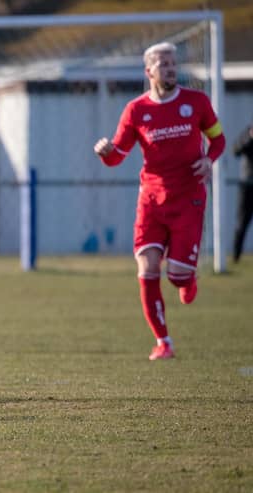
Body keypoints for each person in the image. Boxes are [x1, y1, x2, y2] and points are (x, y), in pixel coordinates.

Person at [93, 41, 225, 361]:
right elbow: (117, 158)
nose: (170, 68)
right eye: (163, 63)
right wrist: (105, 152)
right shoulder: (136, 110)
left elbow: (218, 139)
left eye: (173, 63)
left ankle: (186, 278)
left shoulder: (196, 102)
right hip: (151, 200)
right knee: (148, 267)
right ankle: (163, 341)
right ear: (148, 70)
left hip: (189, 198)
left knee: (177, 275)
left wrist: (209, 160)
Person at [232, 122, 253, 263]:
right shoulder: (247, 134)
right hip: (248, 185)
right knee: (242, 222)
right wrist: (250, 137)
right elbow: (236, 150)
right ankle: (236, 256)